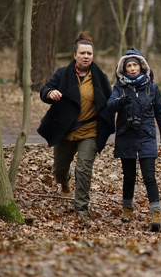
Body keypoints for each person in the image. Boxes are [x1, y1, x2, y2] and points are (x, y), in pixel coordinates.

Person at [37, 32, 115, 220]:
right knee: (59, 171)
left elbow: (110, 100)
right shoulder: (62, 74)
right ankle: (65, 181)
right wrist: (50, 94)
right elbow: (44, 91)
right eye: (82, 53)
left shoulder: (100, 77)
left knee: (83, 169)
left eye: (89, 53)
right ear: (75, 55)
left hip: (89, 130)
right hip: (65, 131)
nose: (86, 56)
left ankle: (81, 208)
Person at [107, 47, 161, 232]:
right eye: (129, 66)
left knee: (149, 176)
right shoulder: (120, 87)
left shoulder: (152, 87)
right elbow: (109, 105)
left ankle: (156, 212)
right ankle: (127, 208)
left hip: (147, 135)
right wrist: (121, 102)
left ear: (142, 67)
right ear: (124, 69)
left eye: (135, 65)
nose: (133, 68)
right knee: (128, 177)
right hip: (126, 135)